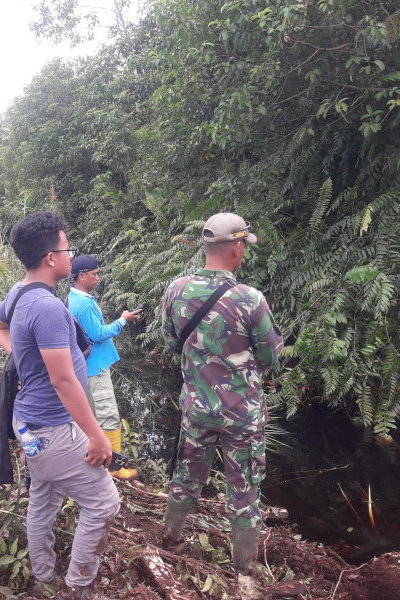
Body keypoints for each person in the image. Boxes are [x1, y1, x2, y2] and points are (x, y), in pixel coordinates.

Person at [0, 212, 119, 600]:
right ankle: (78, 587)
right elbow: (63, 381)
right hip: (52, 428)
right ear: (51, 257)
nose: (69, 255)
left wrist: (27, 363)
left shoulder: (20, 293)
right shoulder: (47, 308)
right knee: (104, 504)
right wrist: (97, 437)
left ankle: (43, 576)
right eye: (67, 248)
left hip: (30, 426)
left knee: (43, 499)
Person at [160, 213, 283, 578]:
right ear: (237, 247)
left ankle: (171, 541)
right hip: (241, 417)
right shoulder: (250, 299)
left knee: (186, 476)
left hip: (196, 410)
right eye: (244, 245)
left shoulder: (176, 290)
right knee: (244, 493)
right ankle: (244, 570)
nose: (244, 250)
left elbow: (170, 344)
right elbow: (271, 357)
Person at [67, 254, 142, 480]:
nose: (98, 277)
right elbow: (98, 334)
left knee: (91, 416)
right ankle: (115, 469)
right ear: (82, 276)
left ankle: (96, 462)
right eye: (94, 274)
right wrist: (123, 320)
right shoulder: (83, 304)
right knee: (107, 416)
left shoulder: (72, 298)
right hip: (96, 369)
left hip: (87, 367)